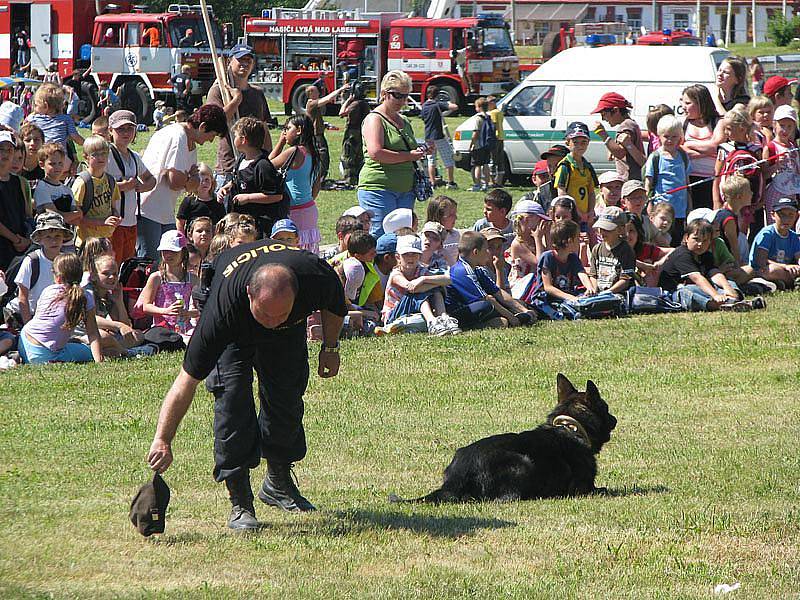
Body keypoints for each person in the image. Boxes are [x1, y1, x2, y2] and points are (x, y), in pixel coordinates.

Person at [146, 239, 348, 530]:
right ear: (250, 293)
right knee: (232, 404)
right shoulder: (221, 311)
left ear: (297, 295)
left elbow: (335, 305)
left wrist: (330, 348)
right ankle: (240, 502)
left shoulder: (316, 276)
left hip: (287, 335)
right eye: (266, 314)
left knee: (286, 398)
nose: (272, 322)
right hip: (235, 332)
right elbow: (185, 382)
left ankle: (278, 484)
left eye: (282, 313)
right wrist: (162, 440)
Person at [138, 104, 227, 260]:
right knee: (148, 262)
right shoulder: (178, 136)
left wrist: (187, 181)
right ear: (203, 126)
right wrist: (188, 180)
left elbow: (192, 184)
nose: (211, 140)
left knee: (172, 261)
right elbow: (175, 181)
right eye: (212, 134)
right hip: (148, 210)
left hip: (165, 212)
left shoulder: (190, 143)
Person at [358, 70, 427, 236]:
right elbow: (376, 153)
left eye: (406, 96)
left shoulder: (405, 121)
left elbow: (408, 147)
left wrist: (422, 150)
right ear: (383, 93)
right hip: (378, 189)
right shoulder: (374, 119)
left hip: (406, 190)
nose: (402, 101)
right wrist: (410, 156)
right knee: (381, 237)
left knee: (403, 238)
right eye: (397, 95)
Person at [207, 44, 273, 195]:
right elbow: (214, 124)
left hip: (255, 166)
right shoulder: (218, 91)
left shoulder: (257, 93)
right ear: (230, 61)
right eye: (240, 59)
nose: (245, 63)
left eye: (248, 60)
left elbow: (263, 127)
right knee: (227, 215)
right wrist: (236, 100)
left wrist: (268, 157)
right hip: (229, 166)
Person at [660, 219, 762, 311]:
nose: (700, 244)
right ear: (686, 238)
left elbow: (715, 273)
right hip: (674, 292)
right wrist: (715, 295)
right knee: (686, 292)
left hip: (702, 289)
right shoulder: (682, 254)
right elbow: (698, 279)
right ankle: (720, 304)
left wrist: (727, 288)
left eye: (705, 241)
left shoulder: (706, 254)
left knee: (727, 281)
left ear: (710, 241)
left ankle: (732, 300)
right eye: (696, 239)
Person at [18, 253, 103, 364]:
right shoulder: (86, 297)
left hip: (25, 341)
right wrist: (98, 361)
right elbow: (92, 332)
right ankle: (127, 351)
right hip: (45, 355)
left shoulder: (48, 291)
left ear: (57, 277)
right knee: (93, 351)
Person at [445, 230, 533, 330]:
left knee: (515, 306)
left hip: (477, 309)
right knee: (487, 305)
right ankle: (467, 327)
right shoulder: (462, 270)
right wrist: (511, 317)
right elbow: (485, 299)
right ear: (476, 252)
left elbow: (498, 292)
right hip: (458, 313)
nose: (488, 253)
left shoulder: (477, 269)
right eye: (486, 249)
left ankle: (496, 322)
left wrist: (524, 310)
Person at [378, 234, 458, 336]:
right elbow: (411, 288)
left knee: (436, 288)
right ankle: (431, 321)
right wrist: (433, 284)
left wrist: (423, 279)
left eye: (414, 254)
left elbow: (449, 280)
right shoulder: (396, 274)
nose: (410, 258)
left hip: (413, 311)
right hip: (394, 314)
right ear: (398, 257)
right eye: (406, 254)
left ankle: (443, 318)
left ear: (419, 256)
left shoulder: (421, 270)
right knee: (424, 290)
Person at [220, 117, 286, 238]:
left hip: (258, 224)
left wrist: (248, 197)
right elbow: (238, 179)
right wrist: (228, 187)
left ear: (243, 140)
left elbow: (276, 195)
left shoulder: (262, 166)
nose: (234, 138)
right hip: (241, 220)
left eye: (235, 136)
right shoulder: (241, 158)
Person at [106, 110, 156, 265]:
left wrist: (142, 187)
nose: (126, 133)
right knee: (112, 264)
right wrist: (123, 186)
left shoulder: (134, 156)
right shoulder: (106, 155)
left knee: (127, 266)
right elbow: (98, 185)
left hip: (131, 221)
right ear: (110, 131)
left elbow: (151, 179)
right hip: (113, 222)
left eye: (130, 128)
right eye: (120, 129)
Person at [5, 211, 71, 325]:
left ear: (64, 238)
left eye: (57, 236)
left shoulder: (67, 262)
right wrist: (28, 328)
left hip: (51, 318)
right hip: (23, 316)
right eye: (48, 237)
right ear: (39, 239)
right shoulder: (32, 260)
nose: (54, 241)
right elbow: (23, 297)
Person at [269, 115, 321, 253]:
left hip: (295, 210)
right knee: (307, 250)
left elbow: (266, 166)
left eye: (287, 128)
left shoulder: (295, 151)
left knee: (293, 250)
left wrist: (280, 142)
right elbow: (316, 188)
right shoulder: (314, 154)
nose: (284, 133)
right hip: (309, 208)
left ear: (299, 130)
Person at [526, 219, 596, 315]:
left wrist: (589, 287)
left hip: (566, 296)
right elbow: (548, 287)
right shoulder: (547, 257)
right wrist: (570, 298)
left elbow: (582, 274)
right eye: (577, 238)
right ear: (569, 241)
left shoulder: (573, 257)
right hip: (546, 298)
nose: (579, 241)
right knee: (562, 311)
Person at [138, 230, 198, 342]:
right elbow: (146, 306)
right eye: (165, 251)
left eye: (173, 251)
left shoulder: (193, 279)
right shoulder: (156, 278)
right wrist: (166, 311)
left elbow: (199, 309)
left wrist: (188, 313)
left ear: (183, 253)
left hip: (185, 328)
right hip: (162, 328)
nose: (169, 255)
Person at [645, 114, 692, 243]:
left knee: (676, 241)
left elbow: (687, 184)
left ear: (680, 137)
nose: (670, 140)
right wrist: (649, 206)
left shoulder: (683, 156)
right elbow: (648, 184)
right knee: (660, 240)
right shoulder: (655, 157)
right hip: (661, 210)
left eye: (674, 137)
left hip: (680, 211)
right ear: (659, 136)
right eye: (666, 136)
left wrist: (689, 206)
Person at [71, 135, 121, 247]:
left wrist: (116, 218)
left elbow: (113, 207)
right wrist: (102, 222)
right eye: (95, 154)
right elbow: (76, 218)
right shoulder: (82, 182)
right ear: (86, 157)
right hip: (87, 242)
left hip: (106, 238)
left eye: (104, 153)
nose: (101, 158)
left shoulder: (110, 180)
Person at [681, 84, 724, 210]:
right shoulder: (683, 124)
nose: (684, 107)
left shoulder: (717, 122)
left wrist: (689, 144)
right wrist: (706, 151)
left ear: (701, 103)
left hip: (713, 180)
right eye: (683, 102)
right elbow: (682, 150)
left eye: (688, 103)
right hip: (690, 180)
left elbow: (716, 146)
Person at [555, 122, 599, 241]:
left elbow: (591, 192)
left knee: (587, 242)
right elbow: (561, 192)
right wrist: (577, 212)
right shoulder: (565, 166)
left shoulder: (587, 167)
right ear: (567, 143)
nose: (580, 146)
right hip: (570, 216)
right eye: (575, 142)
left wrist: (590, 211)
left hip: (585, 216)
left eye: (583, 142)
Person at [25, 83, 84, 169]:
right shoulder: (66, 119)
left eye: (36, 105)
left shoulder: (34, 118)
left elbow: (25, 128)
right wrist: (87, 143)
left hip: (44, 158)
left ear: (45, 106)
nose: (34, 109)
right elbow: (75, 137)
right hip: (61, 159)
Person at [591, 92, 645, 181]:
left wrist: (603, 134)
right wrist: (612, 147)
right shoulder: (631, 123)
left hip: (631, 179)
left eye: (604, 114)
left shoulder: (625, 126)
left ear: (616, 110)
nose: (603, 119)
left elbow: (620, 153)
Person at [748, 197, 800, 288]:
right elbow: (761, 261)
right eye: (782, 215)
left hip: (784, 270)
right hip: (763, 270)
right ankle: (792, 284)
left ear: (796, 216)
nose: (786, 219)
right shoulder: (767, 233)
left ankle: (782, 283)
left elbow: (798, 257)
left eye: (791, 215)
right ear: (773, 215)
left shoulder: (794, 236)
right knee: (772, 270)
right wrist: (785, 266)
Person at [305, 80, 348, 184]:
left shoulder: (314, 105)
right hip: (316, 136)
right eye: (316, 91)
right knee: (322, 157)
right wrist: (341, 89)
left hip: (319, 134)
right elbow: (328, 99)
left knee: (324, 157)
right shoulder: (311, 103)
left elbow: (314, 119)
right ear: (310, 94)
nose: (318, 93)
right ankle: (319, 180)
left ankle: (320, 179)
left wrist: (325, 124)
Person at [762, 104, 800, 223]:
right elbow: (764, 174)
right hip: (776, 191)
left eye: (789, 126)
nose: (785, 130)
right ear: (774, 125)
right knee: (775, 224)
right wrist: (776, 165)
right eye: (782, 125)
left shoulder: (794, 146)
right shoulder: (770, 147)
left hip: (793, 191)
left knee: (790, 225)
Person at [32, 143, 80, 235]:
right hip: (48, 237)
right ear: (42, 164)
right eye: (52, 164)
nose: (57, 167)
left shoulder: (67, 190)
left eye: (60, 163)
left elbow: (77, 221)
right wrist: (75, 214)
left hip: (67, 238)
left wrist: (73, 215)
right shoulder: (42, 187)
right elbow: (54, 216)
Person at [0, 132, 30, 271]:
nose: (5, 154)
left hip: (18, 247)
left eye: (9, 150)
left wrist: (25, 240)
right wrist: (15, 239)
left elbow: (24, 214)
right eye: (1, 149)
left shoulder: (18, 182)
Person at [588, 206, 636, 294]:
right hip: (599, 293)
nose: (602, 233)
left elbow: (625, 280)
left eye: (607, 229)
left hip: (618, 294)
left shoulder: (626, 250)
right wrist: (594, 291)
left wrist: (607, 293)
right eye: (601, 229)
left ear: (620, 229)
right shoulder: (597, 249)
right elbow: (593, 275)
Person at [420, 85, 458, 189]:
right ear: (437, 95)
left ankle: (432, 183)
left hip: (428, 136)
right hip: (439, 136)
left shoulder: (424, 106)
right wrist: (448, 103)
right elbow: (454, 107)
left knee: (431, 160)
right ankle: (451, 183)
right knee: (448, 158)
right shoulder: (437, 104)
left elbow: (423, 117)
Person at [508, 199, 551, 288]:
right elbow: (540, 264)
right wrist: (538, 238)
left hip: (536, 282)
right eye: (539, 221)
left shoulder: (533, 238)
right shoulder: (518, 244)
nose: (541, 224)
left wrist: (547, 236)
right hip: (522, 285)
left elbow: (550, 257)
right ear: (526, 221)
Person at [176, 163, 225, 234]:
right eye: (200, 180)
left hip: (212, 239)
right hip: (192, 240)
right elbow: (180, 222)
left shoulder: (217, 200)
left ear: (212, 181)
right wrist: (183, 238)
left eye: (207, 179)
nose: (204, 183)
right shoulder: (189, 201)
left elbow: (222, 222)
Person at [625, 212, 670, 287]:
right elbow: (621, 259)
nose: (627, 235)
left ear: (638, 233)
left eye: (631, 231)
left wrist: (660, 262)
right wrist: (642, 265)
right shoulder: (614, 249)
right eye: (624, 231)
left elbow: (675, 251)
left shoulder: (645, 249)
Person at [338, 82, 370, 187]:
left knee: (348, 155)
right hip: (361, 132)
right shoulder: (365, 104)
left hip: (352, 132)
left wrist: (348, 100)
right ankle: (357, 177)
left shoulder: (355, 104)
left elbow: (341, 113)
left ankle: (349, 179)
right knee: (358, 155)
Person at [426, 195, 459, 266]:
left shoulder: (455, 235)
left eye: (455, 213)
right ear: (438, 216)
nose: (456, 217)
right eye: (451, 215)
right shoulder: (425, 239)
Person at [469, 97, 493, 191]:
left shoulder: (478, 118)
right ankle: (486, 184)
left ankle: (477, 184)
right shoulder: (488, 117)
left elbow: (476, 133)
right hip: (487, 144)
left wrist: (471, 144)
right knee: (486, 164)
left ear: (479, 107)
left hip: (479, 145)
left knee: (477, 165)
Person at [486, 95, 505, 187]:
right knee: (500, 160)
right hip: (501, 137)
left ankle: (492, 181)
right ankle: (500, 181)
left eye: (488, 103)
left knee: (492, 160)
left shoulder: (492, 113)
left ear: (492, 103)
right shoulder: (500, 112)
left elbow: (493, 126)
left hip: (495, 138)